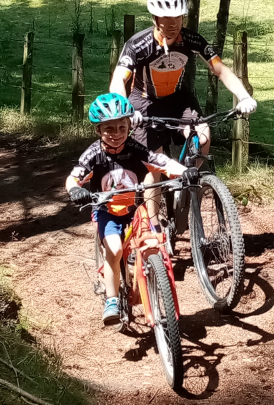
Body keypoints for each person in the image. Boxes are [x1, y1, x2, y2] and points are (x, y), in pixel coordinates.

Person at [110, 0, 257, 223]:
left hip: (178, 101)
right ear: (155, 19)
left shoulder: (191, 39)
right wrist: (125, 110)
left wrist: (244, 96)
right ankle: (154, 226)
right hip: (143, 103)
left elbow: (220, 69)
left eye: (177, 17)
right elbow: (119, 79)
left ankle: (188, 195)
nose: (173, 24)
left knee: (204, 136)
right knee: (154, 164)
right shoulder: (138, 44)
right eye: (166, 18)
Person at [66, 92, 190, 325]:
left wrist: (184, 172)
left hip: (136, 209)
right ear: (98, 130)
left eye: (121, 128)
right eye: (109, 129)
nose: (116, 134)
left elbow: (161, 162)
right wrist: (75, 190)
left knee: (152, 241)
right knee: (114, 250)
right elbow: (74, 177)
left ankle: (155, 282)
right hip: (107, 211)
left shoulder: (136, 149)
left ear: (129, 127)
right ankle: (111, 299)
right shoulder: (94, 154)